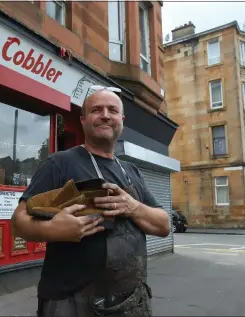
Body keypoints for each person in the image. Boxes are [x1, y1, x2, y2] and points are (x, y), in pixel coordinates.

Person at [11, 86, 171, 317]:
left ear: (122, 121)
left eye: (112, 110)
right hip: (72, 303)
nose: (105, 115)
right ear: (83, 120)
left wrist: (133, 206)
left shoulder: (131, 172)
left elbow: (164, 225)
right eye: (97, 110)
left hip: (131, 302)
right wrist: (53, 229)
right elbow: (18, 222)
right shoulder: (60, 163)